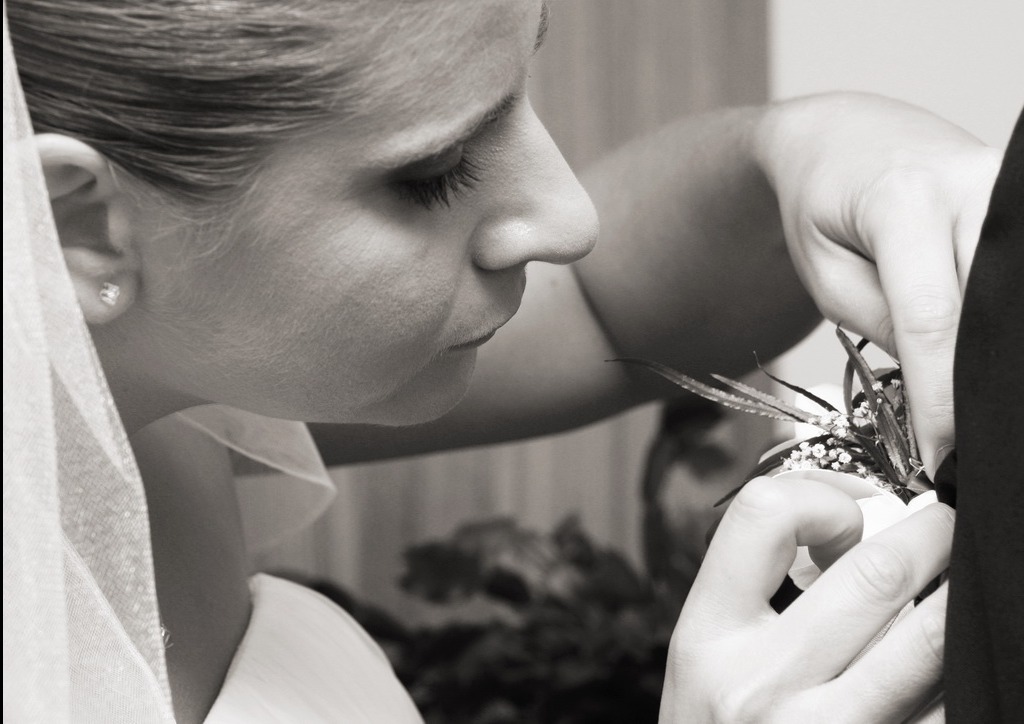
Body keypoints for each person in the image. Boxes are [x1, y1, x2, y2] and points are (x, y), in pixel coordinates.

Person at [1, 1, 1001, 721]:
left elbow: (607, 309)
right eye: (434, 173)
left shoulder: (145, 377)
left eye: (524, 81)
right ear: (77, 224)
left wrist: (820, 145)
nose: (572, 216)